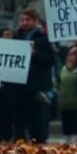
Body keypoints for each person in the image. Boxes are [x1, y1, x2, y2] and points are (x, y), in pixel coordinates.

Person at [14, 8, 55, 143]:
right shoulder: (16, 37)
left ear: (35, 21)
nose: (24, 22)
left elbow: (50, 61)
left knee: (37, 114)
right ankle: (20, 138)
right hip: (19, 83)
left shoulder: (43, 38)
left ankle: (39, 139)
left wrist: (34, 54)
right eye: (22, 20)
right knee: (19, 113)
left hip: (36, 84)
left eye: (28, 20)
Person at [56, 44, 77, 143]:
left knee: (76, 130)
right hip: (64, 104)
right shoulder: (62, 69)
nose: (71, 57)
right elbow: (57, 82)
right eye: (69, 54)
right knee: (66, 129)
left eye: (74, 54)